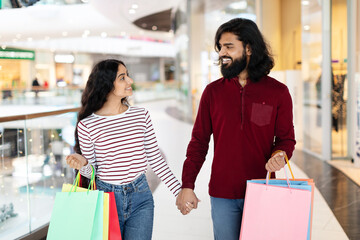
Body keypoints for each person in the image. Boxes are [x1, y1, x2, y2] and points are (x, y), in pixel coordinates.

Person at [176, 18, 296, 240]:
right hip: (222, 193)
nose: (222, 52)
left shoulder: (278, 92)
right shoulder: (212, 93)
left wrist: (280, 155)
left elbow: (286, 139)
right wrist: (187, 185)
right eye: (220, 47)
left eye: (229, 46)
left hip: (264, 188)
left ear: (249, 48)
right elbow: (198, 142)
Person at [65, 59, 182, 240]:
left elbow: (156, 159)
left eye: (127, 75)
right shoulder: (87, 125)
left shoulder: (141, 115)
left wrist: (179, 191)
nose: (130, 81)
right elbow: (92, 173)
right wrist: (84, 165)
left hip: (141, 197)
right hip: (106, 199)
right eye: (122, 77)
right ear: (106, 84)